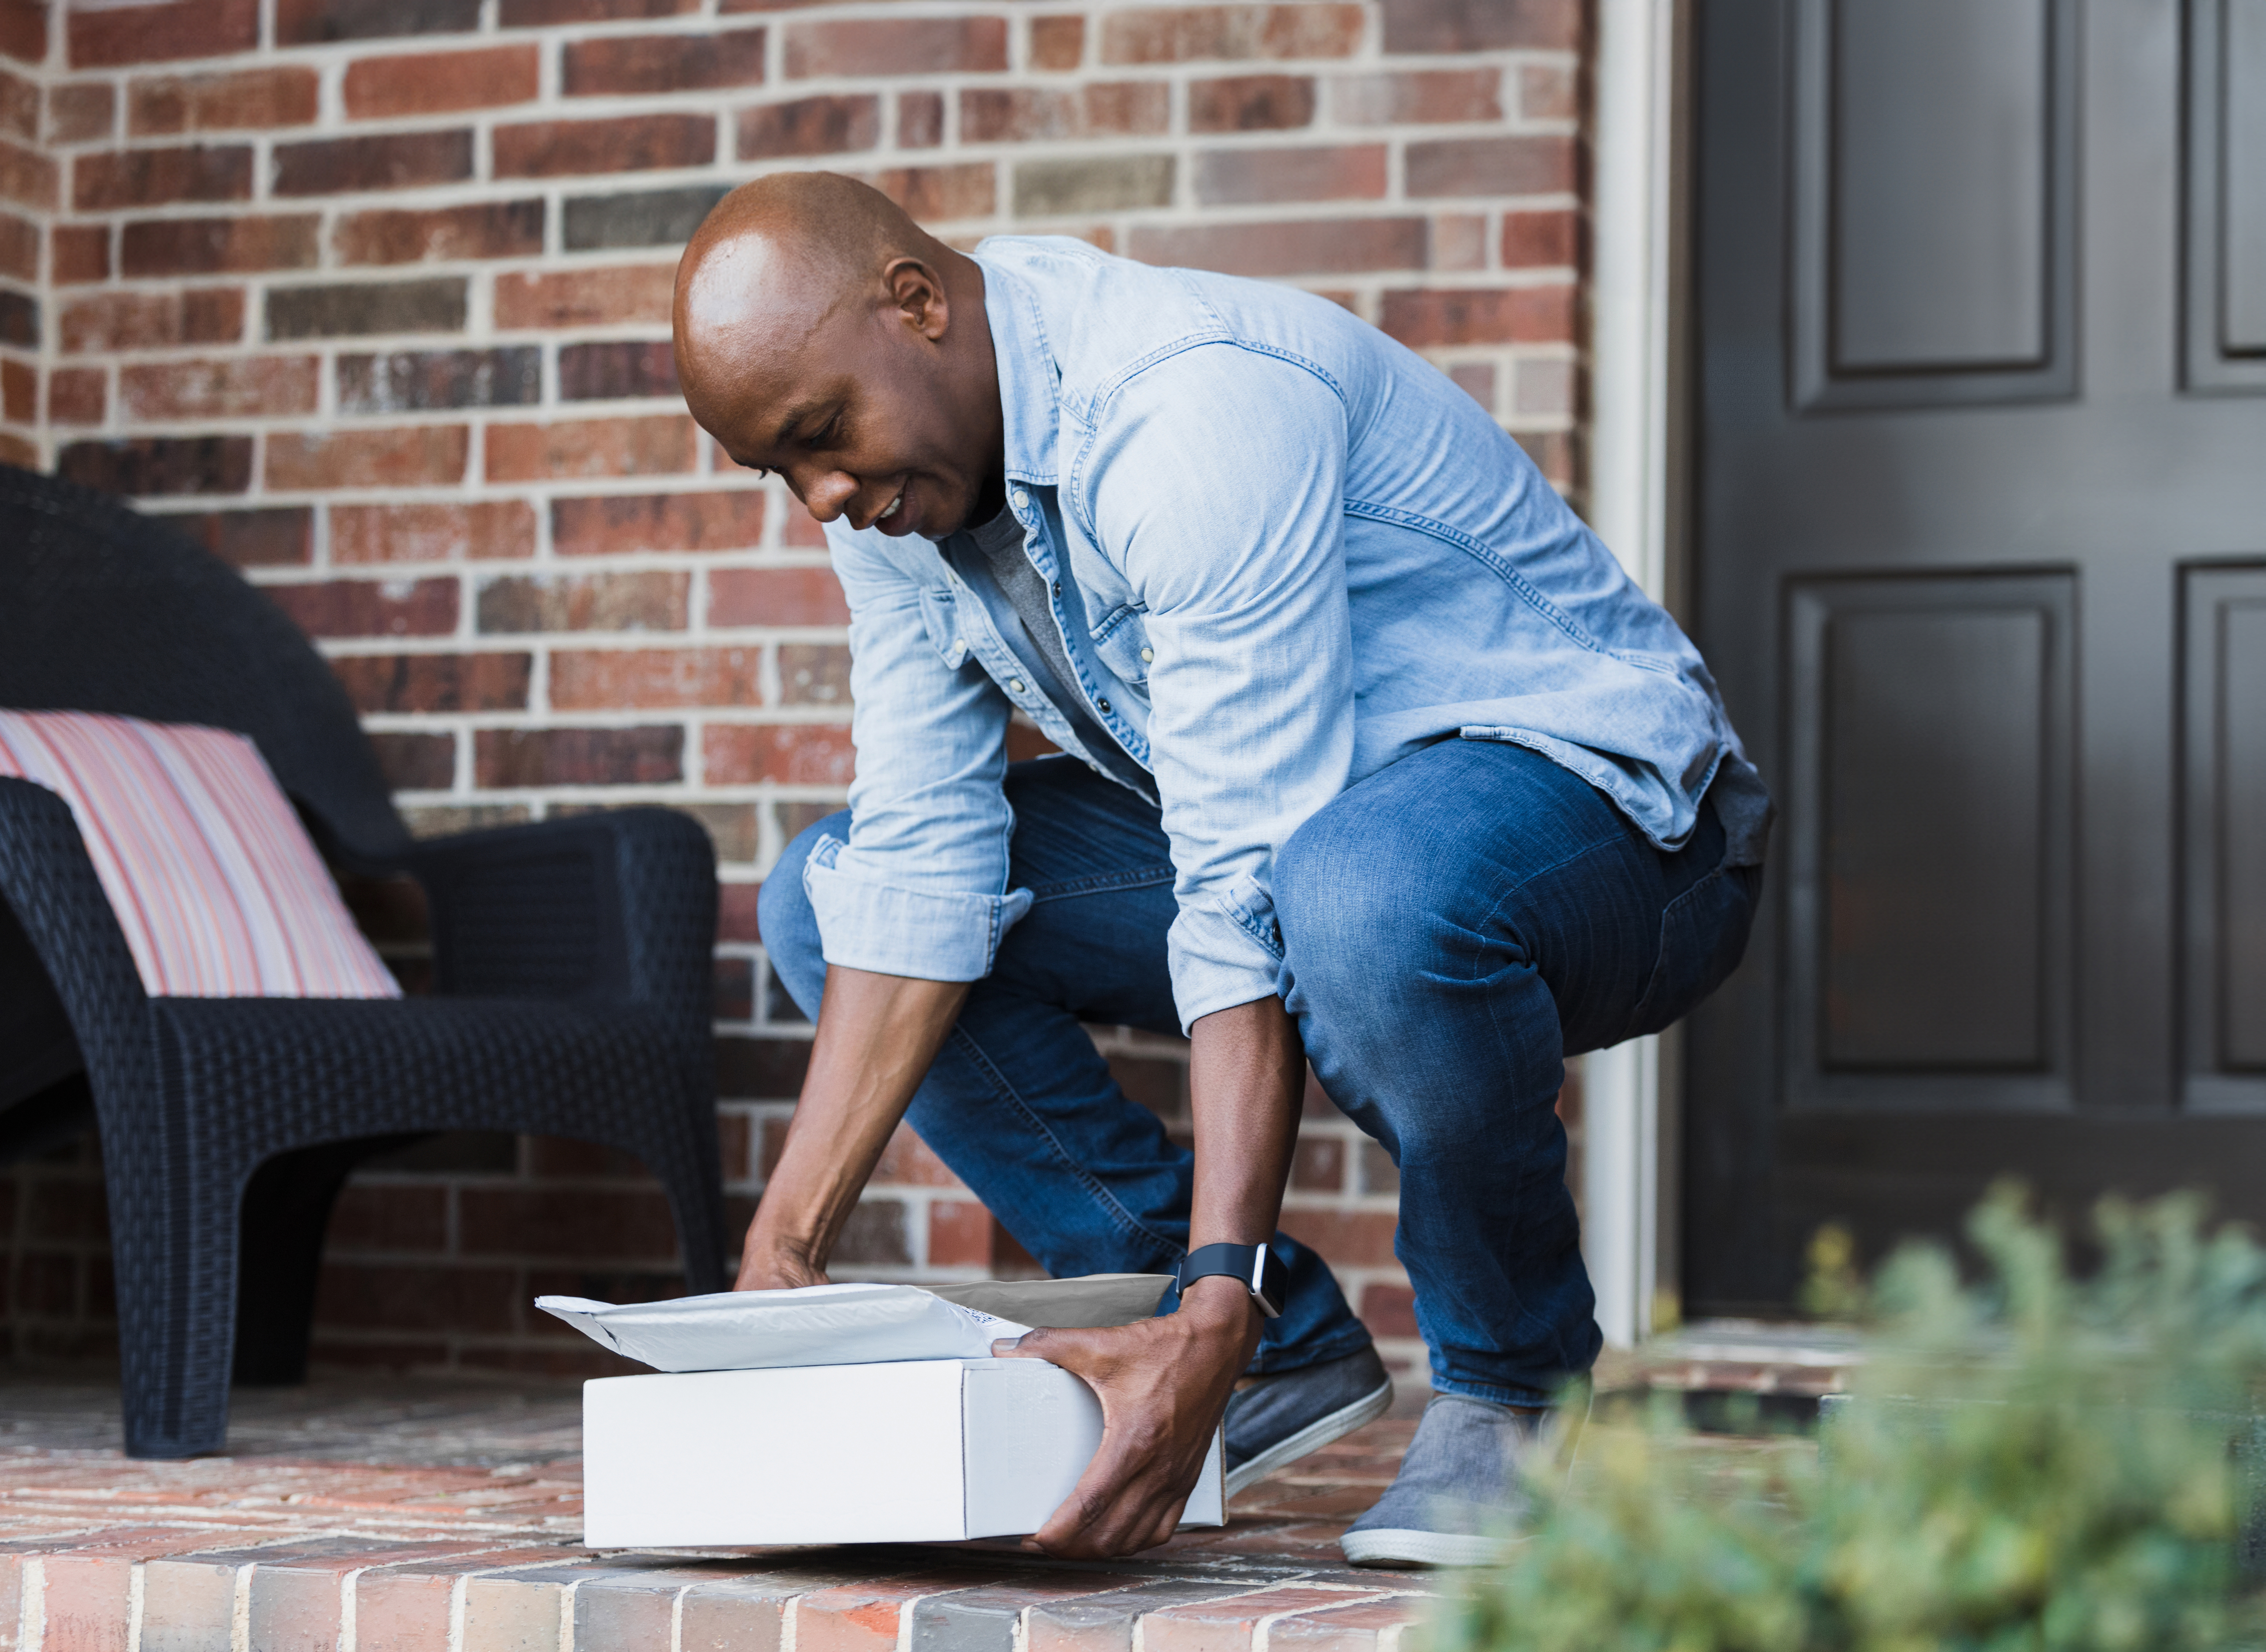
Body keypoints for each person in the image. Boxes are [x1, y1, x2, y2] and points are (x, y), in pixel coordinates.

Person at [671, 171, 1769, 1567]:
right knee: (823, 898)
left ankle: (1512, 1388)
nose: (822, 494)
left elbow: (1244, 887)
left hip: (1629, 822)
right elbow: (918, 862)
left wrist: (1212, 1290)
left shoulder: (1186, 412)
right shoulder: (894, 501)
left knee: (1354, 895)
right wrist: (778, 1261)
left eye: (824, 435)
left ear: (917, 304)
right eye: (782, 467)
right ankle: (1281, 1347)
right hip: (1329, 833)